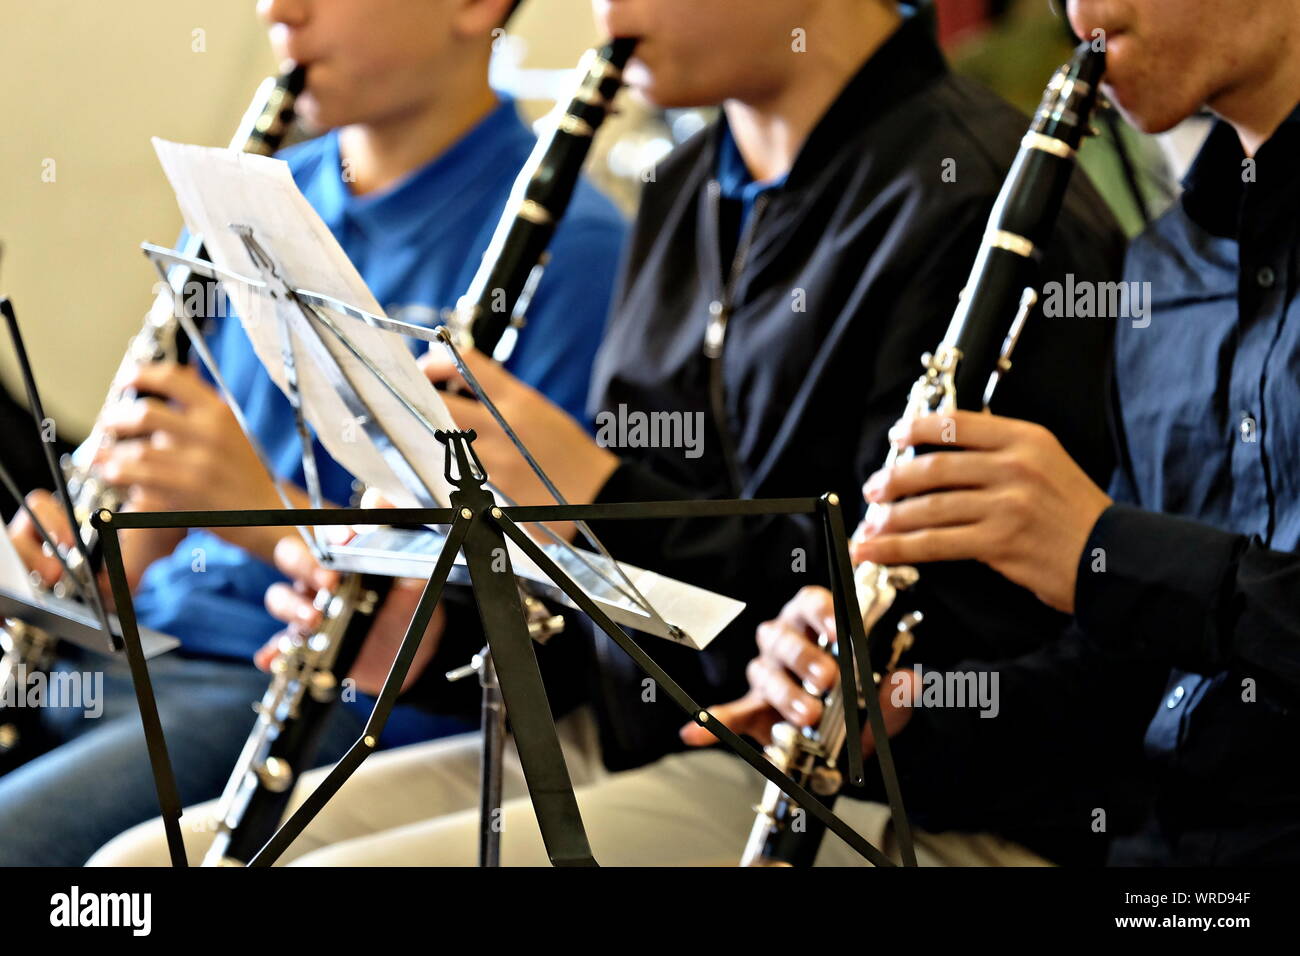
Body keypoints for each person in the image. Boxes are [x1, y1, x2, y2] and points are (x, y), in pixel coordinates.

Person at [95, 0, 1128, 867]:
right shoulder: (685, 186)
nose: (604, 8)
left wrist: (594, 486)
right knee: (137, 870)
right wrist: (436, 628)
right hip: (634, 730)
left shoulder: (981, 206)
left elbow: (922, 631)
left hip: (878, 797)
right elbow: (636, 611)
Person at [1, 0, 625, 866]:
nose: (278, 10)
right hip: (151, 647)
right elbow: (160, 482)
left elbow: (520, 612)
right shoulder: (249, 194)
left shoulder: (579, 250)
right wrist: (103, 551)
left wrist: (264, 507)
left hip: (322, 693)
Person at [734, 0, 1300, 865]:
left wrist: (1110, 550)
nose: (1083, 12)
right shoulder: (1165, 269)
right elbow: (1109, 697)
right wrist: (900, 713)